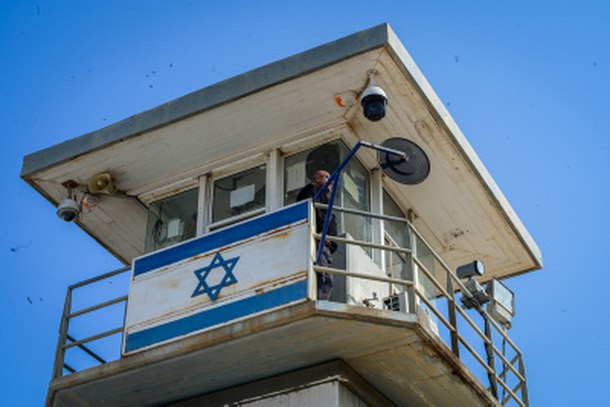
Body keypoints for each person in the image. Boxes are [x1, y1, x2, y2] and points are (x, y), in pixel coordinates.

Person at [296, 170, 338, 300]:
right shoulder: (311, 191)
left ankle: (320, 300)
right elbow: (310, 213)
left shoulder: (325, 198)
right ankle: (319, 301)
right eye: (328, 178)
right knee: (323, 276)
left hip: (323, 243)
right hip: (316, 242)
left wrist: (331, 241)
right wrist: (319, 234)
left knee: (326, 277)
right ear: (318, 179)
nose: (332, 182)